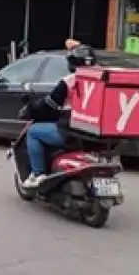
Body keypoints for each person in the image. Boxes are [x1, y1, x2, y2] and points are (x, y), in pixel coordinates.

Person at [21, 44, 96, 188]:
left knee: (33, 132)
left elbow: (49, 104)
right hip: (94, 136)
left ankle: (38, 173)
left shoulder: (69, 82)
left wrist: (32, 108)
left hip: (71, 133)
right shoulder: (100, 81)